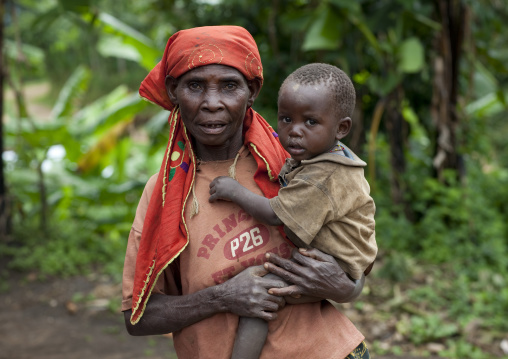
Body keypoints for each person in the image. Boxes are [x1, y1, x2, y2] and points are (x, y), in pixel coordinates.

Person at [122, 25, 370, 359]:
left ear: (251, 91)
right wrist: (223, 296)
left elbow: (355, 250)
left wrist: (346, 287)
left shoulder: (296, 163)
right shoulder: (163, 195)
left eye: (229, 86)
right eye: (195, 86)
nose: (212, 103)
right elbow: (137, 318)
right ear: (174, 91)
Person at [209, 63, 377, 358]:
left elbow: (276, 214)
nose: (294, 131)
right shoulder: (323, 156)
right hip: (342, 261)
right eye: (286, 119)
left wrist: (234, 191)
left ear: (341, 128)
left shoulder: (324, 175)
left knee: (262, 291)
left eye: (310, 122)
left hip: (337, 266)